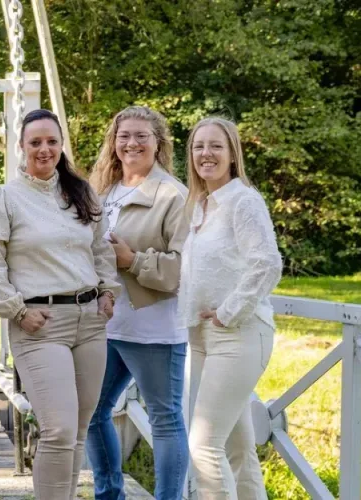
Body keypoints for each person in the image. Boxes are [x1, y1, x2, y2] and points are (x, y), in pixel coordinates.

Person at [0, 109, 121, 499]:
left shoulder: (81, 193)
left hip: (89, 320)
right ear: (20, 147)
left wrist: (108, 292)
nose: (44, 149)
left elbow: (101, 248)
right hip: (40, 322)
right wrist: (17, 310)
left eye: (52, 141)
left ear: (61, 146)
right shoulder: (4, 199)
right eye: (35, 142)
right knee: (58, 429)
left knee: (80, 427)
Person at [84, 106, 191, 500]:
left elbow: (183, 269)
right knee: (93, 413)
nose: (131, 143)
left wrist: (132, 261)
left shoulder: (173, 195)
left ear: (158, 143)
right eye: (124, 135)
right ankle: (109, 493)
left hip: (153, 328)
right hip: (105, 325)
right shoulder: (102, 190)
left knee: (164, 420)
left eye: (141, 136)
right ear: (113, 142)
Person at [179, 117, 282, 500]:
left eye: (216, 146)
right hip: (205, 339)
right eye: (199, 146)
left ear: (233, 155)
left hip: (238, 334)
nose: (206, 154)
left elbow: (267, 263)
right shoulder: (202, 206)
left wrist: (227, 311)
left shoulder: (244, 201)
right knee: (238, 450)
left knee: (203, 446)